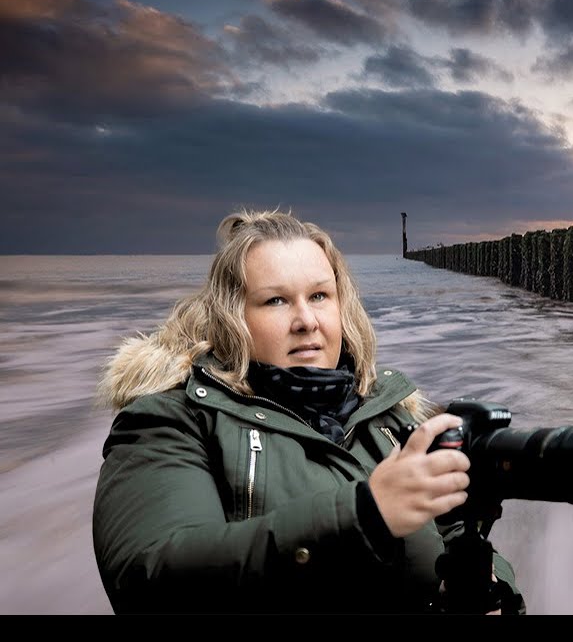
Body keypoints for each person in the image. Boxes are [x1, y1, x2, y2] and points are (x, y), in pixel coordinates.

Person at [91, 209, 524, 614]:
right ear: (231, 317)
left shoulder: (387, 419)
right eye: (275, 301)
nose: (306, 320)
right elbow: (151, 576)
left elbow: (454, 533)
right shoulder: (172, 422)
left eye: (319, 295)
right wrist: (364, 516)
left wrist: (493, 589)